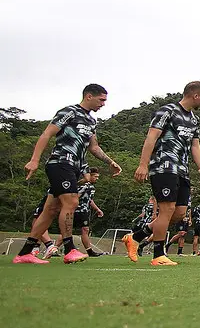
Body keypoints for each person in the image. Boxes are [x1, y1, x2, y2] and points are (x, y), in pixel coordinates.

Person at [15, 84, 122, 264]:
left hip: (74, 167)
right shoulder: (69, 112)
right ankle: (70, 248)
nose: (103, 104)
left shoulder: (91, 121)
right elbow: (47, 134)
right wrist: (34, 160)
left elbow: (94, 147)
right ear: (89, 96)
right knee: (72, 201)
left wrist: (110, 161)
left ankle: (25, 253)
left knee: (50, 210)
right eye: (101, 99)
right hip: (60, 163)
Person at [123, 81, 200, 266]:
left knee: (179, 213)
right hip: (163, 166)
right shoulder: (167, 111)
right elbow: (151, 137)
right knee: (166, 209)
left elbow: (195, 144)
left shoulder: (195, 120)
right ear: (195, 95)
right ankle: (158, 255)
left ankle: (136, 237)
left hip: (182, 170)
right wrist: (143, 165)